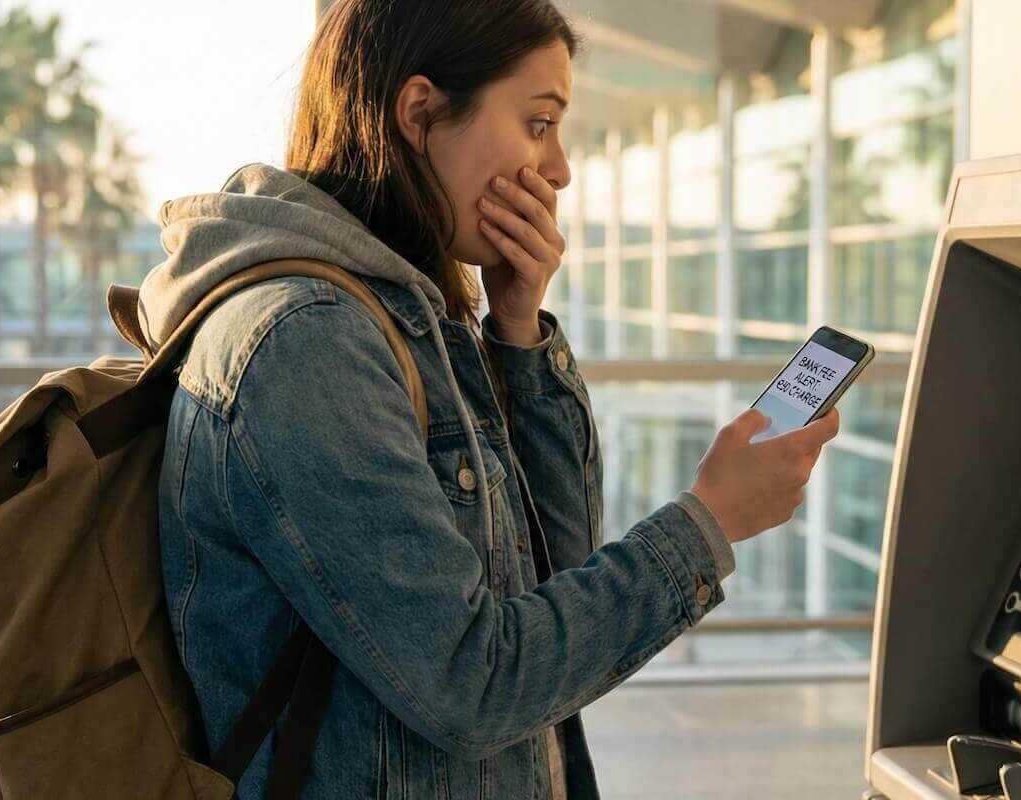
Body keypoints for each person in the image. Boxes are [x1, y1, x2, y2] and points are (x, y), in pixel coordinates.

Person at [138, 0, 840, 796]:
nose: (560, 167)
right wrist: (707, 522)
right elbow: (473, 684)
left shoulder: (411, 323)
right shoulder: (306, 343)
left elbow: (558, 590)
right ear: (422, 113)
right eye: (539, 122)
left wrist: (518, 333)